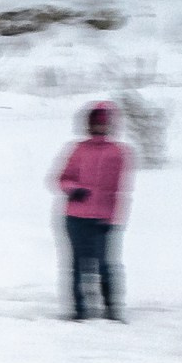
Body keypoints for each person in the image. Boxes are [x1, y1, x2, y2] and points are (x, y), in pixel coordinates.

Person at [53, 101, 133, 321]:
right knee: (77, 265)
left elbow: (120, 189)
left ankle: (112, 309)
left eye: (103, 123)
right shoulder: (77, 149)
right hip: (75, 217)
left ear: (110, 125)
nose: (99, 127)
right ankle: (79, 311)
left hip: (103, 219)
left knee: (106, 265)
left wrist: (114, 218)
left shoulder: (119, 152)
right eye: (95, 123)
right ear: (88, 124)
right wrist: (73, 189)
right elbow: (60, 179)